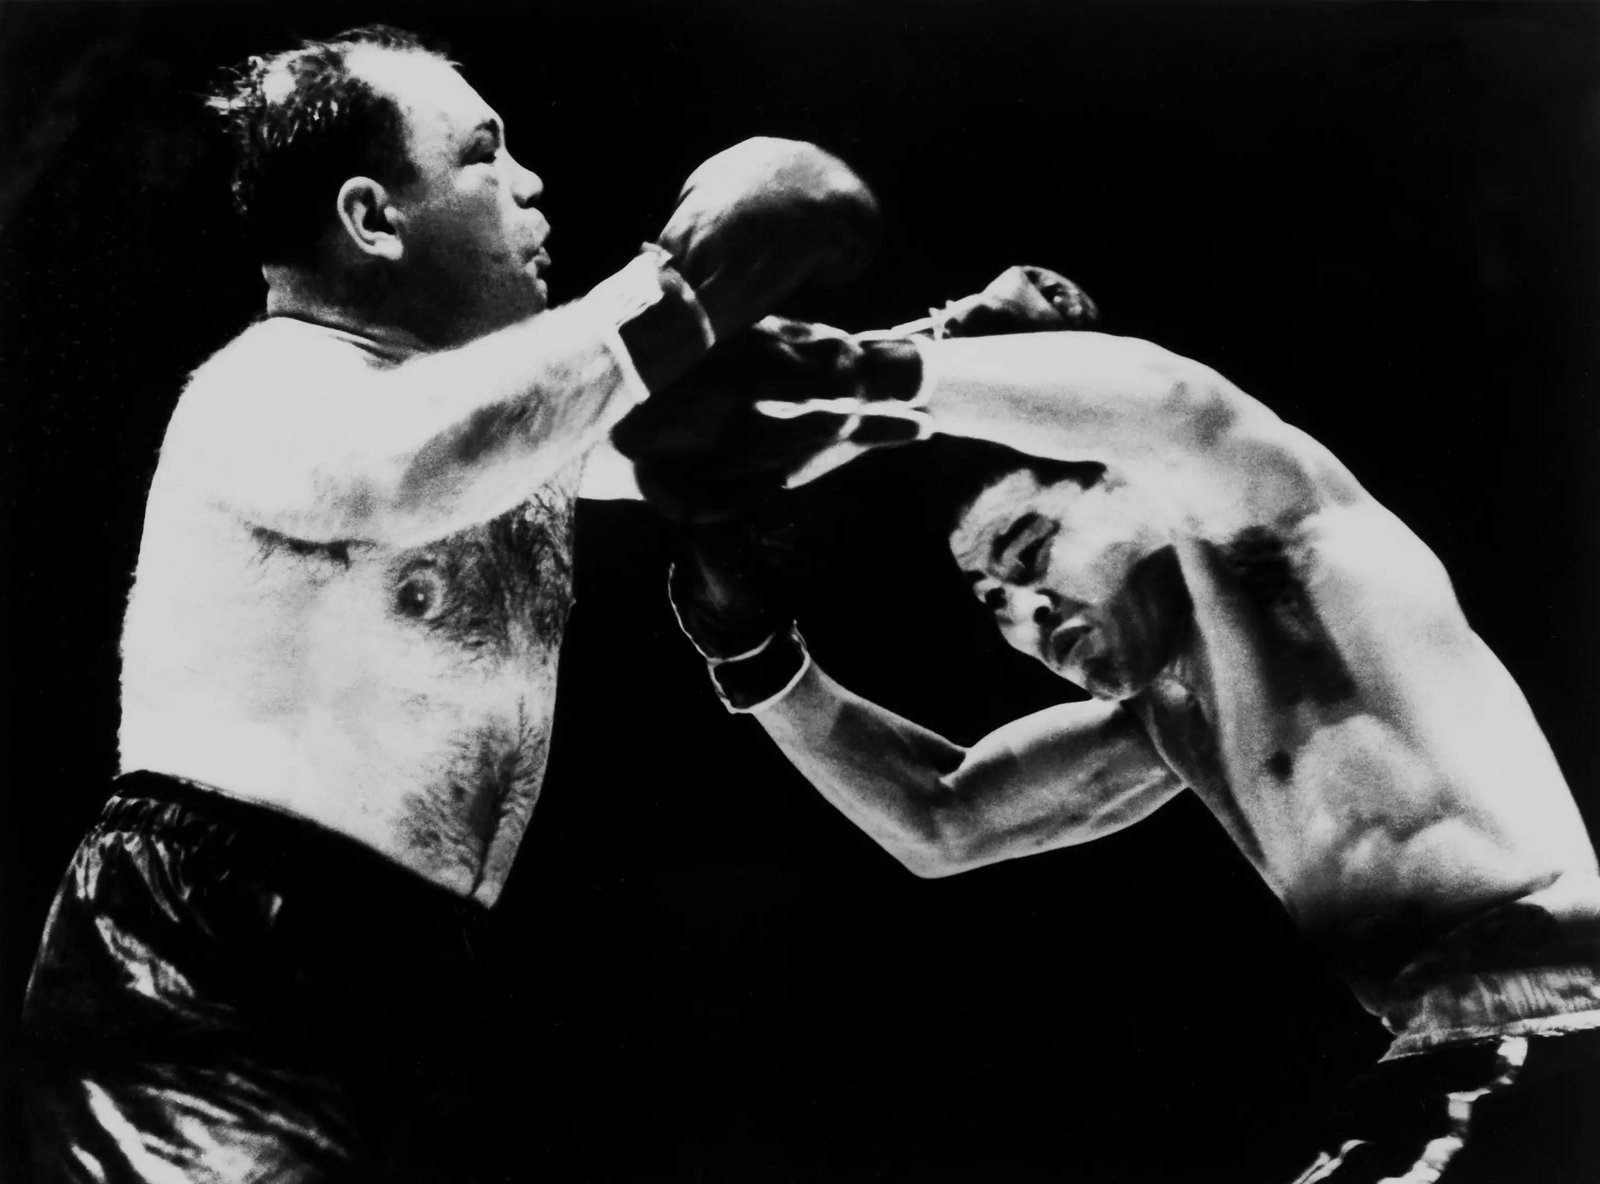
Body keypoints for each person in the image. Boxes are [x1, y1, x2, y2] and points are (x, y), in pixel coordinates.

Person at [16, 22, 884, 1182]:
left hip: (419, 964)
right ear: (373, 217)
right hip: (203, 954)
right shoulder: (269, 386)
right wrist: (677, 279)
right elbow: (406, 468)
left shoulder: (510, 419)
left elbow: (713, 442)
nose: (530, 182)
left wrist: (935, 368)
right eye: (483, 153)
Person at [629, 303, 1600, 1181]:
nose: (1028, 615)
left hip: (1554, 1026)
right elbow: (944, 817)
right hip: (1458, 1066)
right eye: (993, 603)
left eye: (1029, 553)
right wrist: (752, 654)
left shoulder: (1302, 557)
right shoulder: (1173, 720)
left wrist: (859, 371)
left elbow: (1175, 408)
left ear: (1133, 487)